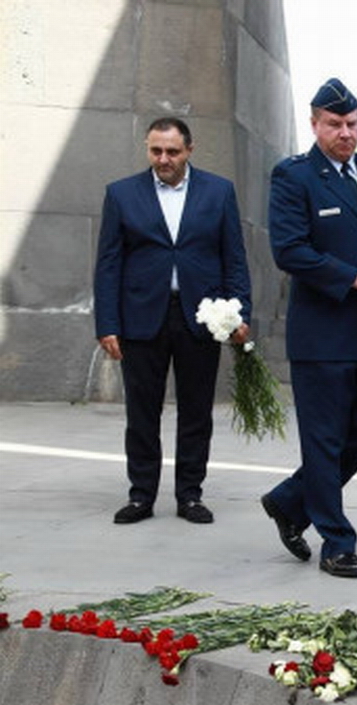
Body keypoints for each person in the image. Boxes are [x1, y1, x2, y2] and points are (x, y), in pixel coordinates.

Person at [261, 78, 357, 579]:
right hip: (323, 334)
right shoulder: (295, 177)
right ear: (315, 125)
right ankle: (336, 541)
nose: (346, 133)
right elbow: (289, 250)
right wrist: (353, 276)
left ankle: (291, 500)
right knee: (325, 438)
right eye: (334, 125)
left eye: (352, 124)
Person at [94, 116, 252, 525]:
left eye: (172, 151)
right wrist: (107, 323)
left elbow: (234, 258)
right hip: (140, 317)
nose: (163, 159)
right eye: (156, 151)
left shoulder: (219, 192)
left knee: (197, 411)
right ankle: (141, 496)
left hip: (201, 317)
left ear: (189, 150)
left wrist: (239, 314)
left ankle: (190, 496)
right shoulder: (121, 194)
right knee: (141, 412)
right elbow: (108, 264)